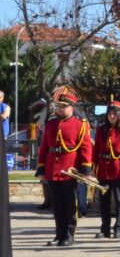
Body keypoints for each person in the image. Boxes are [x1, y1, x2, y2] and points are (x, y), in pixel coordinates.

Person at [35, 90, 93, 246]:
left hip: (69, 169)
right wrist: (41, 168)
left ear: (72, 108)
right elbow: (44, 147)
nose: (60, 109)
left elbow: (86, 148)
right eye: (58, 106)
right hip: (52, 169)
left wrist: (86, 168)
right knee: (57, 205)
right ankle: (58, 234)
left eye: (63, 106)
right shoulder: (51, 123)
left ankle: (69, 234)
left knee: (69, 204)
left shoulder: (80, 124)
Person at [92, 100, 120, 239]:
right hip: (103, 169)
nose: (111, 117)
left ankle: (118, 227)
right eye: (109, 114)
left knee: (119, 200)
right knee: (103, 201)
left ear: (119, 116)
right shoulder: (101, 129)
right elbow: (96, 149)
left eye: (114, 114)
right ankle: (105, 227)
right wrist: (92, 167)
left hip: (118, 169)